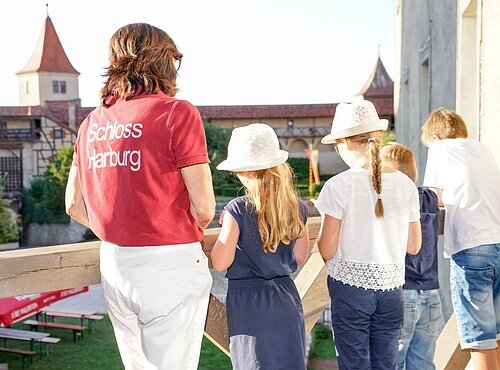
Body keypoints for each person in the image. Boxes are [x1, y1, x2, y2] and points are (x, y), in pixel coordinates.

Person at [65, 23, 215, 370]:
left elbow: (73, 205)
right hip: (168, 262)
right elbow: (205, 208)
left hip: (115, 263)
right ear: (162, 63)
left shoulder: (90, 124)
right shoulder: (177, 112)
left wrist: (119, 229)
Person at [315, 100, 422, 370]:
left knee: (354, 364)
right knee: (386, 364)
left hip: (351, 290)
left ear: (347, 143)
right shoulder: (406, 184)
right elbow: (414, 245)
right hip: (392, 289)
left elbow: (327, 250)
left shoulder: (338, 185)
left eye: (337, 144)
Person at [211, 123, 310, 370]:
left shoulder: (237, 209)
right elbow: (299, 256)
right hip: (286, 298)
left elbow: (220, 262)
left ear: (243, 172)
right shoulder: (297, 206)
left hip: (250, 305)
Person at [421, 108, 500, 370]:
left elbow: (434, 197)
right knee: (496, 336)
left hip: (472, 247)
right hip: (497, 241)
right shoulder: (482, 149)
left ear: (438, 135)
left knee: (480, 340)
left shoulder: (440, 149)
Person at [381, 143, 442, 370]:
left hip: (403, 292)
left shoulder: (392, 200)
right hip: (431, 293)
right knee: (423, 363)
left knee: (394, 361)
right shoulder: (429, 197)